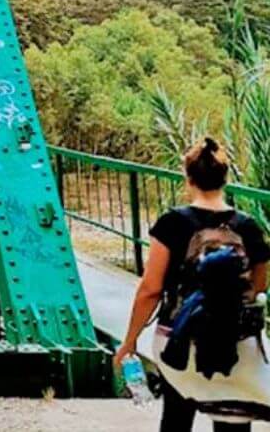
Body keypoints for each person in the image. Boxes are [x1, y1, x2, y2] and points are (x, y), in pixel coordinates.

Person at [115, 137, 269, 431]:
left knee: (176, 418)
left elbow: (150, 290)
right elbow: (259, 287)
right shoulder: (248, 226)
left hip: (180, 339)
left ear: (188, 179)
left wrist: (130, 340)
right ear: (226, 179)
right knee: (232, 420)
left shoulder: (172, 223)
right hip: (236, 341)